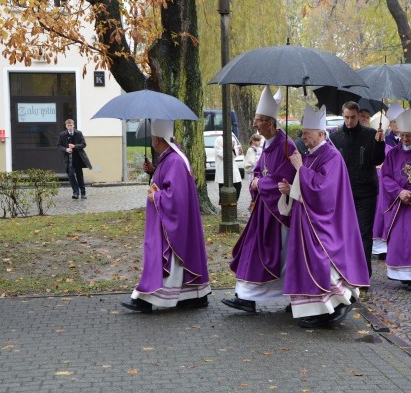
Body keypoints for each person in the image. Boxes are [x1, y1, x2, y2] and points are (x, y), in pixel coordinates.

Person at [278, 104, 370, 328]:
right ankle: (319, 310)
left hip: (324, 225)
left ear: (320, 134)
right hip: (307, 221)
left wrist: (300, 169)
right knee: (312, 266)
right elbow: (308, 187)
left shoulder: (331, 156)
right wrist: (292, 190)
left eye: (306, 134)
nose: (303, 138)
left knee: (324, 267)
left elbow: (323, 192)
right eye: (302, 133)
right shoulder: (312, 154)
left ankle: (337, 305)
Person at [121, 119, 211, 312]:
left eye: (153, 137)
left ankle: (147, 299)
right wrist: (153, 172)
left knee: (164, 257)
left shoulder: (175, 160)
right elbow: (169, 182)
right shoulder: (169, 157)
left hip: (169, 224)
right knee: (176, 262)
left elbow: (176, 196)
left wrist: (157, 196)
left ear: (158, 140)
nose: (152, 141)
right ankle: (193, 296)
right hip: (166, 221)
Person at [222, 86, 297, 313]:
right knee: (252, 252)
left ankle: (294, 297)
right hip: (262, 211)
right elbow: (258, 170)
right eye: (255, 120)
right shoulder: (268, 144)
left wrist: (260, 184)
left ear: (271, 123)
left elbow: (286, 181)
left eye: (259, 120)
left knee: (279, 258)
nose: (255, 125)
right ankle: (246, 296)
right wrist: (256, 180)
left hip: (277, 215)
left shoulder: (287, 146)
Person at [377, 109, 411, 290]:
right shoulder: (393, 153)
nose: (405, 140)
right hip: (398, 203)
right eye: (402, 136)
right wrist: (399, 192)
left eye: (408, 136)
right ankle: (400, 274)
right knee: (399, 239)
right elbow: (385, 176)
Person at [330, 101, 385, 277]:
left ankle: (363, 273)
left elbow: (377, 160)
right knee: (343, 233)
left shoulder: (370, 135)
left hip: (366, 192)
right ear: (342, 115)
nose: (349, 121)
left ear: (358, 116)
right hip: (343, 193)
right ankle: (345, 270)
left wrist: (379, 143)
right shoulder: (335, 137)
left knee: (364, 233)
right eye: (346, 117)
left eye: (353, 117)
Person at [57, 119, 92, 199]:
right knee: (71, 175)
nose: (69, 127)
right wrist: (66, 149)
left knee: (79, 175)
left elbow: (83, 144)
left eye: (71, 125)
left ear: (74, 125)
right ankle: (75, 192)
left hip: (78, 158)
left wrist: (74, 146)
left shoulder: (79, 133)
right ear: (66, 126)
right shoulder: (62, 134)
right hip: (69, 159)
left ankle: (83, 193)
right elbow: (59, 145)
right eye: (68, 125)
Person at [215, 134, 243, 203]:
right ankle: (224, 204)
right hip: (222, 167)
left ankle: (233, 201)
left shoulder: (232, 138)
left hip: (233, 166)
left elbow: (235, 154)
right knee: (223, 187)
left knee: (238, 185)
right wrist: (230, 148)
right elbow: (221, 155)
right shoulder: (218, 140)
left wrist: (233, 149)